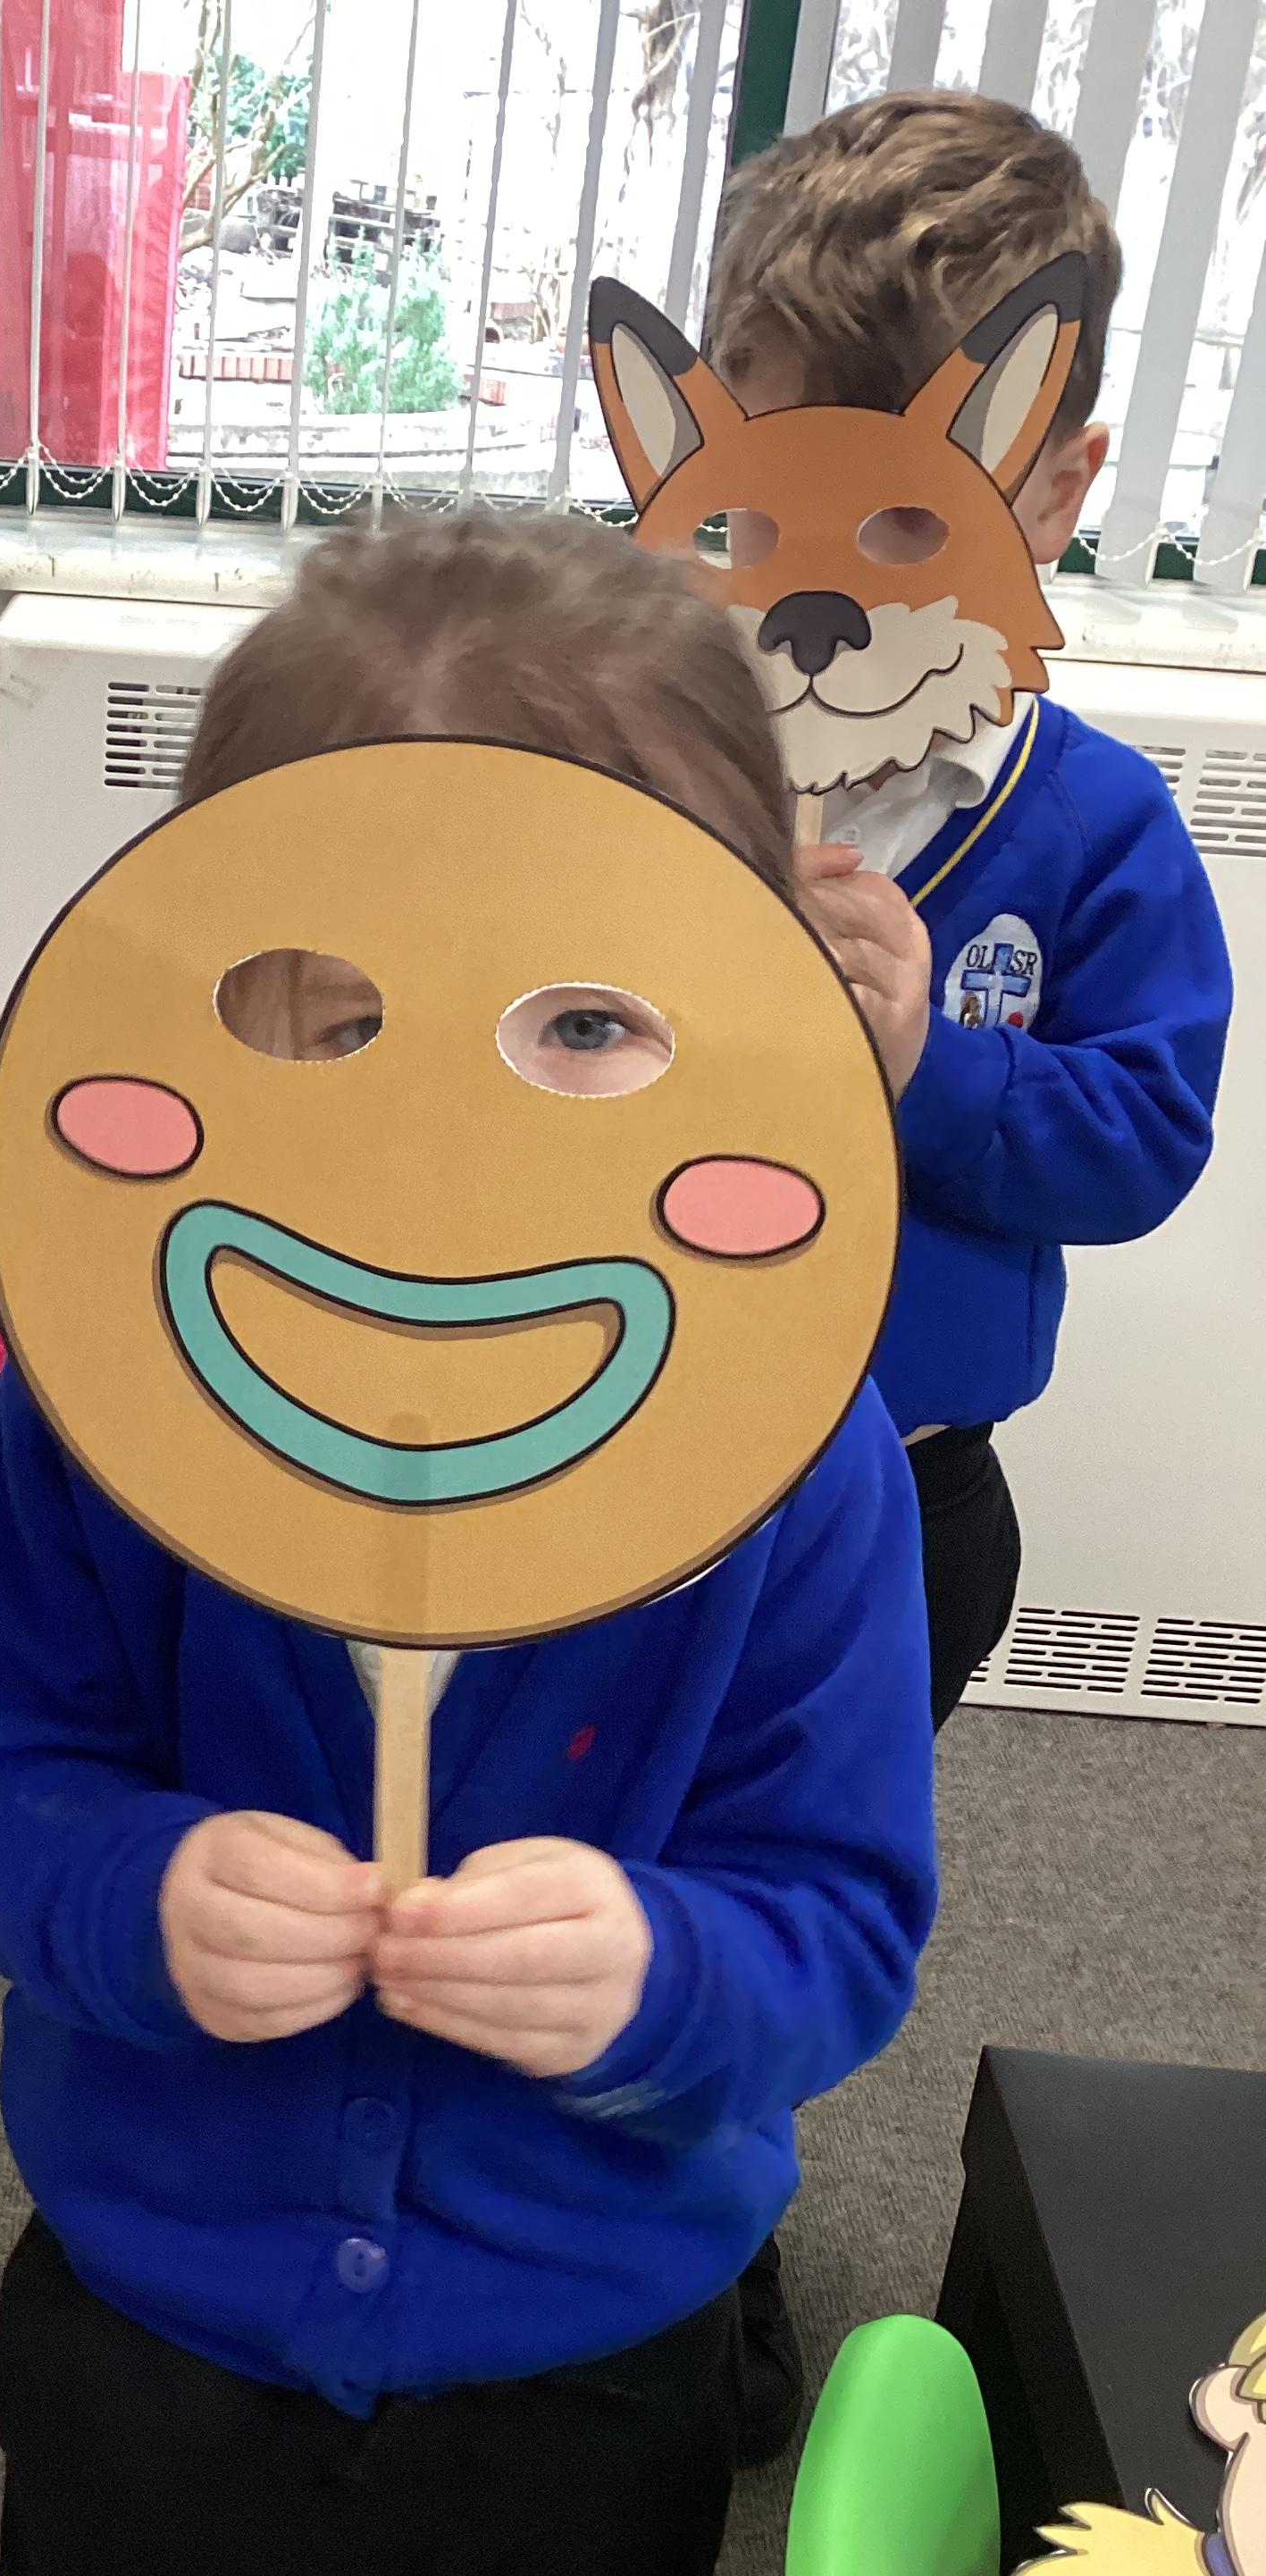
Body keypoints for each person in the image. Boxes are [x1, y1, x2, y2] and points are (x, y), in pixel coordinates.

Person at [0, 514, 939, 2576]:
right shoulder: (111, 1412)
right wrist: (140, 1893)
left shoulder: (805, 1470)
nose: (457, 1145)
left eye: (586, 1025)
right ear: (216, 1002)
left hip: (590, 2352)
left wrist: (659, 1974)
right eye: (339, 1014)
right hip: (161, 2318)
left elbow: (840, 1925)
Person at [701, 88, 1235, 2453]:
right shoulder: (659, 751)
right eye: (771, 489)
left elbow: (1141, 1142)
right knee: (583, 1823)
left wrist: (929, 1061)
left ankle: (713, 2220)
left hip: (903, 1497)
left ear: (1060, 480)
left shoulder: (1098, 828)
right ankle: (551, 2181)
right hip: (636, 1434)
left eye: (912, 505)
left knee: (783, 1879)